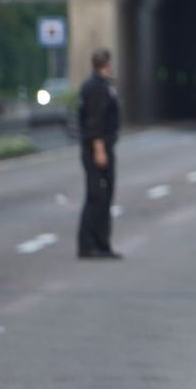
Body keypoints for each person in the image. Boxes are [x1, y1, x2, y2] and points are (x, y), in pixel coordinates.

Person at [77, 48, 121, 259]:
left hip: (100, 147)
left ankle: (101, 244)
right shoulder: (97, 88)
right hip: (98, 149)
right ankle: (89, 244)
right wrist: (99, 149)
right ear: (106, 64)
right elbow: (94, 121)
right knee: (97, 197)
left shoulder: (99, 85)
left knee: (102, 197)